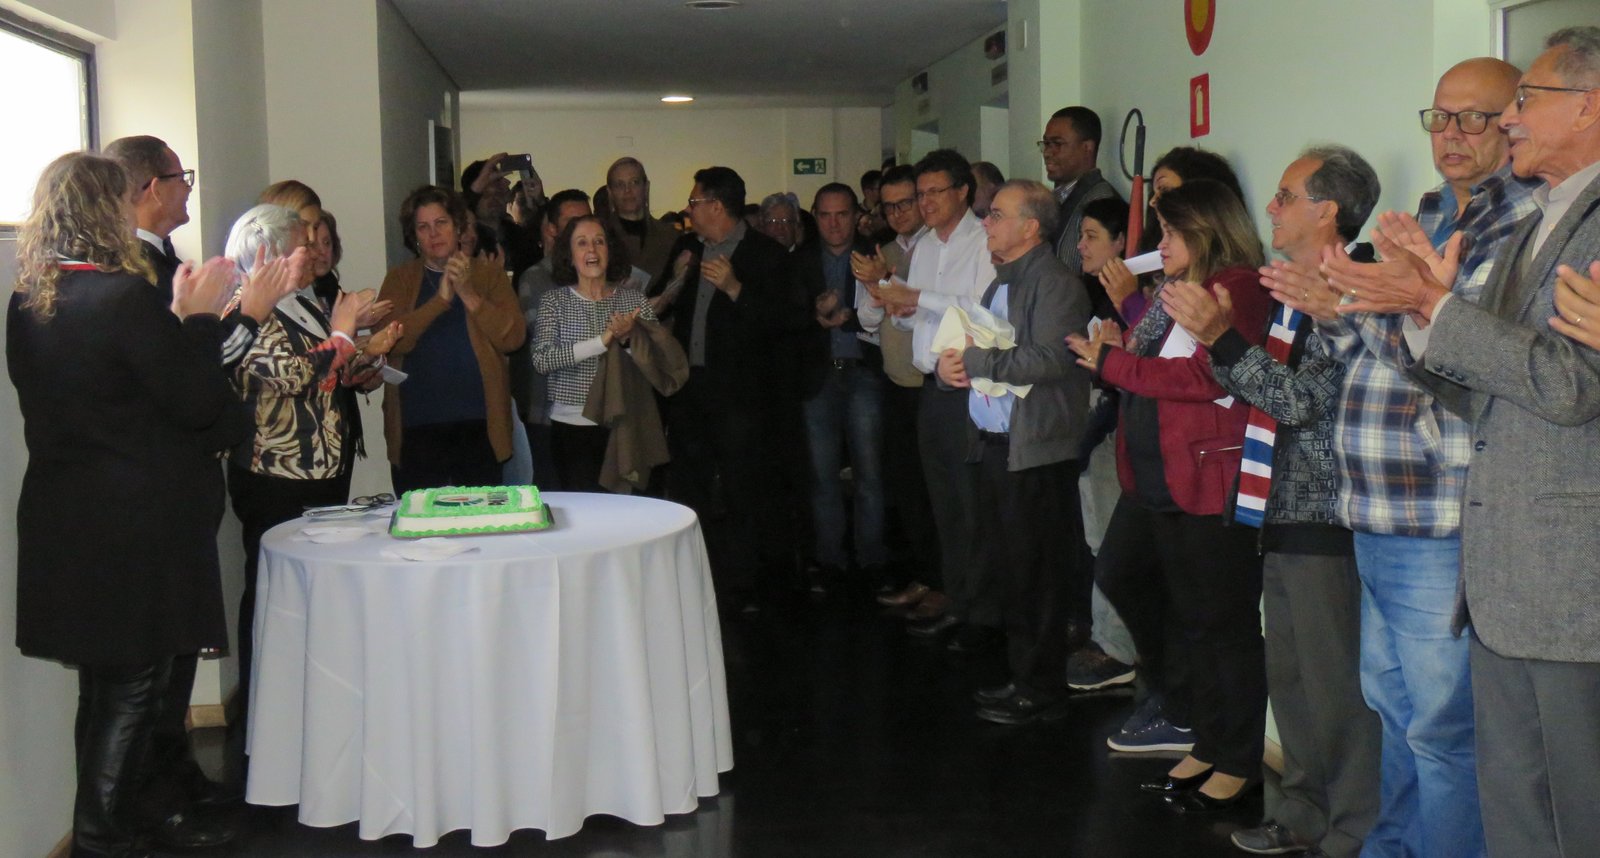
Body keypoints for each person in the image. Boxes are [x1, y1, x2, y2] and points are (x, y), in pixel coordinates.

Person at [1322, 28, 1600, 857]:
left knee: (1575, 807)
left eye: (1525, 100)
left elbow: (1569, 386)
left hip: (1567, 577)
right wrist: (1424, 315)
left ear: (1588, 106)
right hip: (1503, 570)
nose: (1510, 119)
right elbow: (1484, 391)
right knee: (1513, 802)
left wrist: (1432, 309)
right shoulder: (1539, 218)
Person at [1274, 57, 1534, 858]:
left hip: (1438, 509)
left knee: (1442, 728)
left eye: (1473, 118)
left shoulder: (1518, 226)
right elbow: (1374, 349)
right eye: (1440, 117)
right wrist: (1337, 312)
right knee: (1390, 708)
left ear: (1515, 120)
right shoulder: (1423, 213)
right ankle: (1392, 847)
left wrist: (1361, 305)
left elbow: (1454, 362)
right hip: (1372, 503)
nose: (1451, 134)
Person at [8, 152, 250, 858]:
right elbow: (196, 402)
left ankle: (124, 824)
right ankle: (102, 840)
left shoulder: (31, 298)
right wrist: (198, 320)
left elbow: (113, 401)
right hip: (134, 523)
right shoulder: (122, 297)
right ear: (105, 210)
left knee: (105, 690)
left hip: (66, 517)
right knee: (134, 690)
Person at [1165, 146, 1384, 857]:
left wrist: (1221, 339)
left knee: (1335, 691)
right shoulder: (1291, 289)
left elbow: (1298, 401)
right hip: (1279, 509)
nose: (1271, 208)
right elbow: (1267, 391)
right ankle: (1299, 815)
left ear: (1328, 211)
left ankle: (1351, 830)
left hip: (1329, 515)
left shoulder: (1355, 289)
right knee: (1290, 682)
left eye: (1287, 196)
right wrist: (1225, 341)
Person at [1067, 178, 1271, 812]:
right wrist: (1116, 347)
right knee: (1181, 613)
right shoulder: (1174, 289)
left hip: (1210, 481)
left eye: (1172, 232)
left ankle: (1237, 757)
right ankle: (1204, 736)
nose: (1161, 244)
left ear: (1207, 230)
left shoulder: (1238, 287)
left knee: (1224, 625)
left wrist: (1110, 363)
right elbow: (1148, 357)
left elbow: (1207, 377)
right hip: (1160, 478)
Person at [223, 203, 398, 780]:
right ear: (270, 253)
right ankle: (261, 724)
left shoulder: (299, 301)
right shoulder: (243, 308)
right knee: (272, 595)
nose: (314, 253)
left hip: (321, 467)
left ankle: (310, 713)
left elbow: (324, 375)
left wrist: (361, 354)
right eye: (304, 244)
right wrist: (344, 331)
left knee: (313, 596)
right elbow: (292, 374)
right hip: (275, 474)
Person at [936, 180, 1091, 725]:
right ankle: (1023, 677)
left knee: (1037, 575)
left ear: (1030, 226)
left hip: (1036, 453)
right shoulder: (1002, 281)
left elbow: (1051, 359)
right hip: (1000, 448)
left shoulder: (1056, 283)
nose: (987, 222)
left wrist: (974, 362)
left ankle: (1040, 687)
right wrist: (950, 368)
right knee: (1012, 570)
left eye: (997, 214)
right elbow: (976, 351)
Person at [652, 166, 801, 607]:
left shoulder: (764, 254)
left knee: (742, 489)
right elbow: (660, 303)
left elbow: (785, 322)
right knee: (689, 485)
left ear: (716, 206)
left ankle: (742, 583)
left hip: (741, 395)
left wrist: (736, 289)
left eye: (694, 202)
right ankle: (692, 576)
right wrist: (676, 278)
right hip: (690, 388)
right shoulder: (688, 248)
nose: (688, 210)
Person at [874, 149, 1001, 653]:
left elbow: (984, 313)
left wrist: (917, 299)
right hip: (930, 385)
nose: (925, 202)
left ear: (962, 192)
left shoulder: (984, 241)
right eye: (920, 193)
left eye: (934, 192)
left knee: (972, 506)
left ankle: (983, 615)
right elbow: (915, 320)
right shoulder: (924, 246)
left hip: (970, 387)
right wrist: (900, 308)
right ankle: (957, 601)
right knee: (943, 503)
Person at [378, 186, 526, 493]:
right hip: (416, 429)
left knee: (479, 518)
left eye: (441, 223)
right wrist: (440, 301)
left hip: (480, 426)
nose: (433, 233)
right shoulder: (399, 279)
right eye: (423, 227)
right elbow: (390, 342)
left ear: (458, 227)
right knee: (420, 520)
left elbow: (513, 338)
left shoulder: (489, 275)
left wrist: (468, 294)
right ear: (414, 236)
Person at [531, 215, 676, 492]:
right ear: (569, 255)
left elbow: (659, 364)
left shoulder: (633, 300)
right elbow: (542, 359)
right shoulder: (554, 301)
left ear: (610, 250)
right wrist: (601, 341)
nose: (592, 250)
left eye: (599, 241)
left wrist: (628, 341)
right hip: (572, 425)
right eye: (582, 243)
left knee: (629, 510)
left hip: (627, 423)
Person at [853, 165, 942, 611]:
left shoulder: (938, 248)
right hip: (894, 380)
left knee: (935, 489)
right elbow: (868, 320)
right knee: (905, 486)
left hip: (933, 382)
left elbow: (927, 311)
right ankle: (922, 575)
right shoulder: (883, 251)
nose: (898, 213)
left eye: (906, 202)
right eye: (888, 206)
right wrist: (874, 284)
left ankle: (944, 584)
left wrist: (885, 284)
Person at [796, 183, 887, 591]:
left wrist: (849, 317)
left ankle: (871, 559)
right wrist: (814, 317)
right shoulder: (800, 259)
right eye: (826, 215)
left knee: (870, 474)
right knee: (822, 476)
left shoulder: (875, 255)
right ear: (815, 217)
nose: (834, 224)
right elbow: (787, 315)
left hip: (863, 373)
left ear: (856, 216)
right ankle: (830, 558)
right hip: (818, 376)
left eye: (842, 214)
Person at [1040, 106, 1121, 279]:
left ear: (1087, 147)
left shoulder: (1100, 200)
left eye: (1057, 144)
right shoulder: (1054, 198)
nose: (1047, 152)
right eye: (1046, 144)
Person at [604, 157, 680, 279]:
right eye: (619, 185)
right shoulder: (601, 236)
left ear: (646, 187)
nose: (627, 190)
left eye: (634, 182)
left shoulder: (670, 236)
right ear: (610, 192)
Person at [310, 209, 344, 306]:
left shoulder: (333, 289)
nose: (323, 251)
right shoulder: (290, 298)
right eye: (313, 244)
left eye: (327, 243)